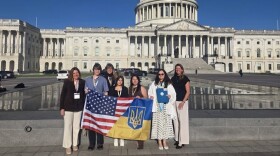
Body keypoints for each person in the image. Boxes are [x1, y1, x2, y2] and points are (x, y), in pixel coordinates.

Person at [148, 69, 176, 150]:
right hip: (157, 107)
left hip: (165, 107)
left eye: (162, 74)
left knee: (166, 124)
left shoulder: (169, 84)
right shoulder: (154, 83)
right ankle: (159, 141)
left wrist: (170, 96)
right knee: (158, 124)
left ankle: (164, 141)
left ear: (165, 75)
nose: (160, 75)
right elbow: (150, 92)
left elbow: (173, 94)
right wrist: (151, 96)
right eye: (159, 74)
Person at [60, 67, 86, 155]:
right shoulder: (67, 82)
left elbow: (83, 95)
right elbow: (63, 95)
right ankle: (67, 146)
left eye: (77, 73)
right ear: (71, 74)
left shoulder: (82, 82)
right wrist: (62, 108)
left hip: (78, 108)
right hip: (68, 107)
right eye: (74, 73)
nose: (76, 74)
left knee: (76, 127)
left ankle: (75, 144)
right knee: (68, 127)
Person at [85, 63, 109, 150]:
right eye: (95, 69)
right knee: (91, 125)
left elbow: (106, 92)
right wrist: (86, 91)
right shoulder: (87, 80)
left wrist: (102, 97)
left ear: (100, 70)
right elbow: (85, 91)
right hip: (90, 106)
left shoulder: (103, 79)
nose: (97, 71)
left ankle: (100, 143)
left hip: (99, 105)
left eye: (98, 69)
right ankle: (91, 144)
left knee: (99, 124)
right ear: (93, 70)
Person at [171, 64, 190, 149]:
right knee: (176, 121)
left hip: (182, 102)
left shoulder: (185, 79)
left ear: (182, 70)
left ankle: (182, 141)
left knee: (182, 122)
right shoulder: (173, 78)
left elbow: (188, 92)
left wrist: (183, 102)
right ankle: (178, 139)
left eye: (179, 68)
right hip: (174, 102)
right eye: (176, 68)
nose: (177, 70)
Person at [128, 75, 148, 149]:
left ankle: (140, 143)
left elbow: (146, 98)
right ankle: (135, 138)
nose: (135, 80)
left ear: (138, 80)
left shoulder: (141, 88)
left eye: (136, 79)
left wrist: (141, 97)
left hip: (140, 109)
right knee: (134, 125)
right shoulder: (130, 88)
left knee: (140, 126)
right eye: (133, 79)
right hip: (133, 110)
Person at [108, 76, 129, 147]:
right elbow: (110, 98)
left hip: (123, 109)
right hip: (114, 109)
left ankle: (121, 137)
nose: (120, 81)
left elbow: (127, 98)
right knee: (115, 124)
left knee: (122, 124)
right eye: (119, 80)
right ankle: (116, 138)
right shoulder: (112, 89)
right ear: (116, 81)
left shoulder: (125, 89)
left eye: (121, 80)